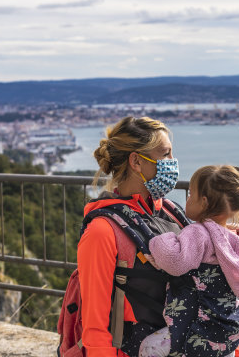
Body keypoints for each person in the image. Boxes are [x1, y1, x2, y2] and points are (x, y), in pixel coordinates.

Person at [139, 165, 239, 357]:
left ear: (203, 201)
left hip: (194, 329)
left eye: (190, 193)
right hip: (226, 334)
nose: (187, 199)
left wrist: (163, 238)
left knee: (148, 347)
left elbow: (173, 261)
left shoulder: (199, 233)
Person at [78, 116, 185, 357]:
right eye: (166, 154)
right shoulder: (102, 231)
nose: (173, 162)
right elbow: (95, 326)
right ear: (136, 161)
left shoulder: (170, 212)